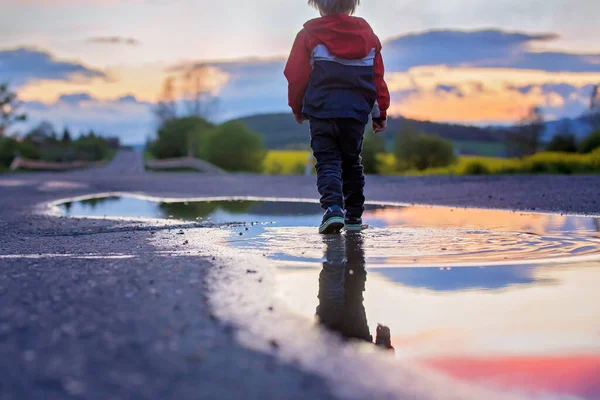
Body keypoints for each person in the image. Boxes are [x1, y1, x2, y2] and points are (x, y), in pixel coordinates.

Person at [284, 0, 390, 234]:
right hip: (355, 112)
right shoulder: (368, 36)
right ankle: (353, 216)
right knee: (352, 162)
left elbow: (296, 74)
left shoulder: (308, 35)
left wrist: (297, 107)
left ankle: (333, 210)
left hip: (322, 110)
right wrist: (379, 112)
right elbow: (376, 77)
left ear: (318, 5)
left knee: (327, 161)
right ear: (352, 5)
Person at [316, 233, 394, 352]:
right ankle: (338, 245)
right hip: (345, 344)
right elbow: (381, 364)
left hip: (348, 343)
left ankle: (342, 241)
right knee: (337, 297)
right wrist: (383, 342)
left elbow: (382, 363)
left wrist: (384, 340)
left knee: (351, 293)